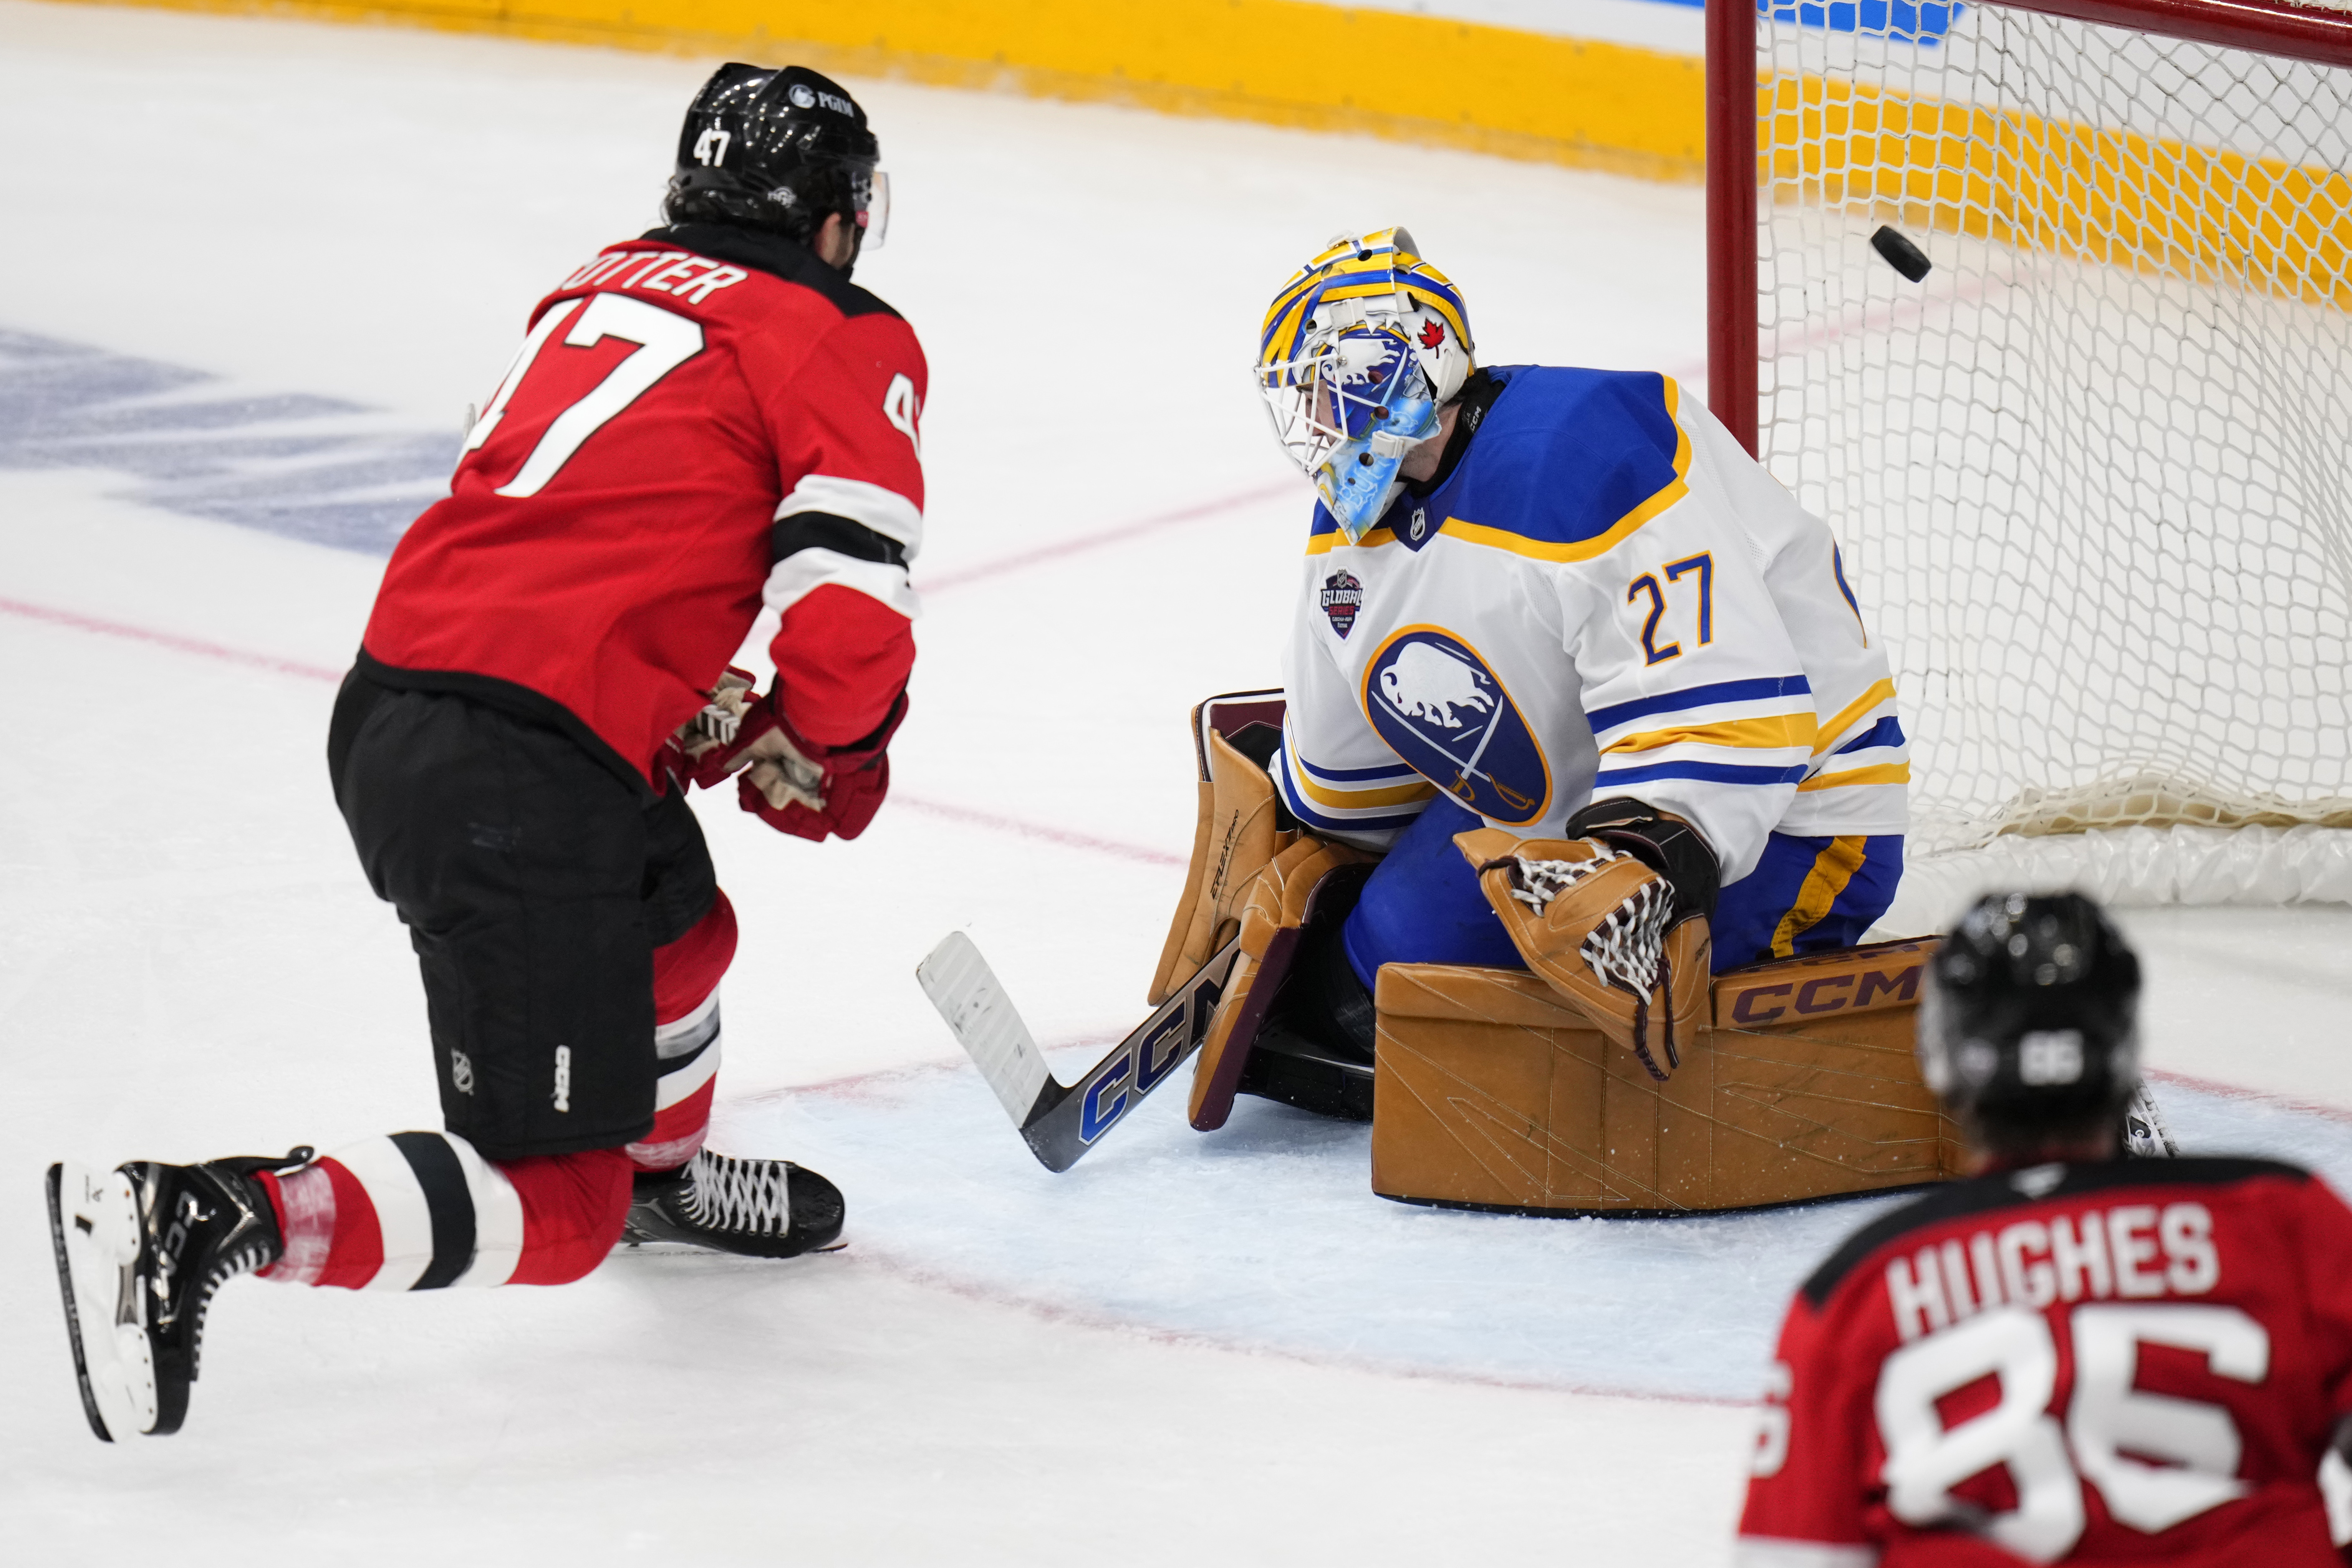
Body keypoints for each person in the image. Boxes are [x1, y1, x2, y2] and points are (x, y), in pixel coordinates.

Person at [45, 62, 927, 1440]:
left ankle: (660, 1175)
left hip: (407, 705)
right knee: (553, 1203)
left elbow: (581, 528)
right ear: (833, 219)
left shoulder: (597, 286)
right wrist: (829, 741)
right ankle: (208, 1214)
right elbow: (852, 619)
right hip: (519, 769)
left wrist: (670, 686)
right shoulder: (833, 331)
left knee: (679, 930)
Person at [1189, 227, 1910, 1109]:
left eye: (1340, 383)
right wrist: (1298, 817)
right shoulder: (1352, 523)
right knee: (1372, 976)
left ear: (1419, 353)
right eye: (1307, 398)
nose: (1325, 420)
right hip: (1568, 795)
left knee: (1546, 1027)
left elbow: (1736, 705)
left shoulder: (1580, 448)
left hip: (1793, 806)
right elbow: (1353, 782)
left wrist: (1653, 854)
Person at [1736, 891, 2352, 1565]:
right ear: (2121, 1049)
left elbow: (1791, 1555)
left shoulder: (1856, 1290)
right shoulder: (2284, 1219)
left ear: (1944, 1062)